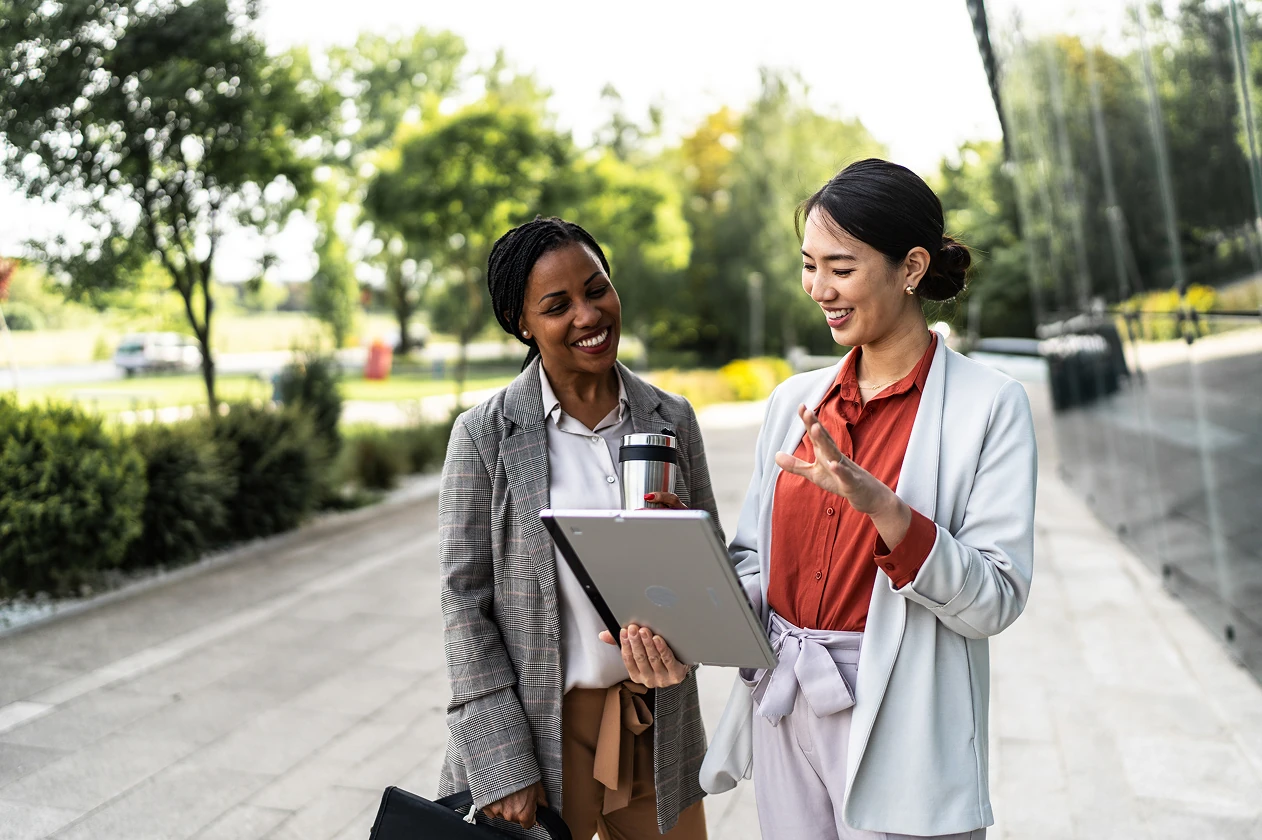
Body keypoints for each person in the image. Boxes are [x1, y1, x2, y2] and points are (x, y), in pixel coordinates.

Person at [705, 159, 1037, 840]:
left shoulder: (990, 406)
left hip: (904, 713)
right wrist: (685, 609)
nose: (819, 289)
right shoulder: (793, 402)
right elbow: (749, 560)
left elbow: (997, 598)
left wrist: (888, 512)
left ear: (911, 268)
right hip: (786, 702)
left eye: (842, 267)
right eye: (808, 265)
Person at [438, 216, 715, 839]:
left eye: (597, 289)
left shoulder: (671, 417)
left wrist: (688, 582)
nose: (588, 316)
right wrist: (501, 760)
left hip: (656, 724)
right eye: (557, 305)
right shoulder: (483, 436)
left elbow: (713, 576)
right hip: (538, 733)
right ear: (522, 324)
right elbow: (464, 606)